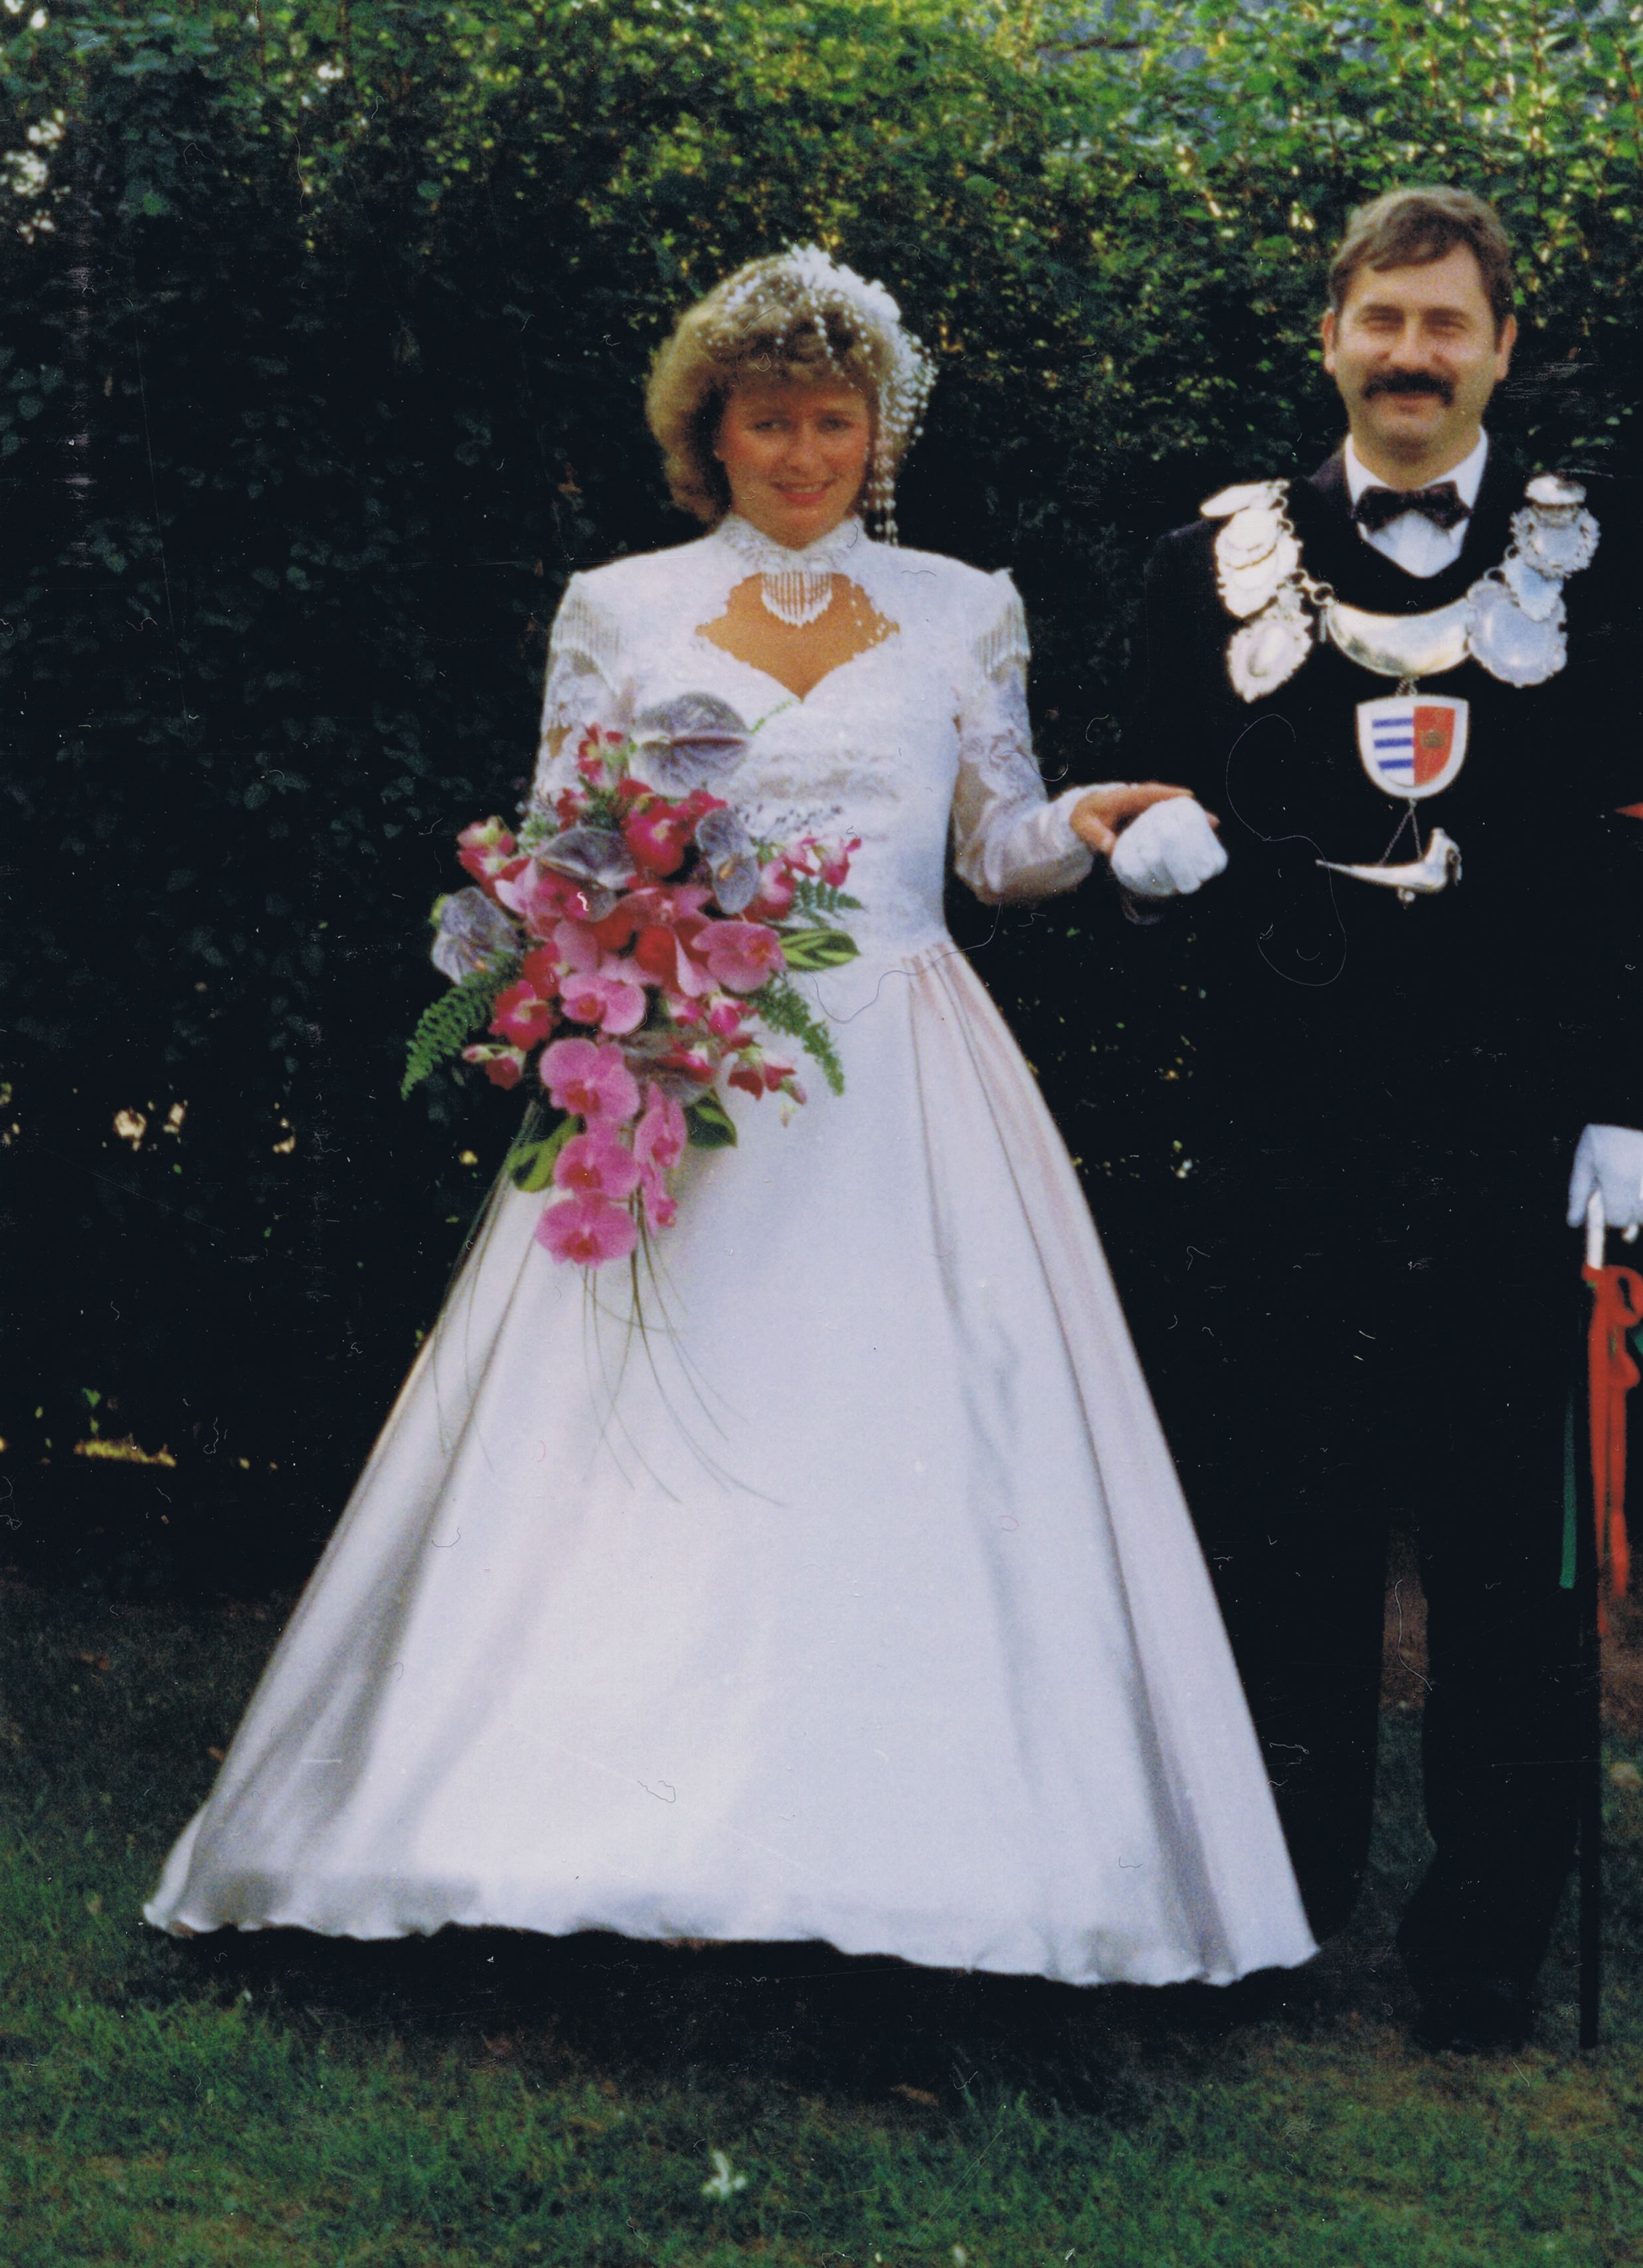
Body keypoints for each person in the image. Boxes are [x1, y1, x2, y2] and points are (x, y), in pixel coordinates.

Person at [144, 248, 1315, 1990]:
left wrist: (1084, 820)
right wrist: (604, 956)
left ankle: (922, 1849)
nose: (804, 454)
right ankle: (560, 1825)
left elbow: (993, 851)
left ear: (878, 431)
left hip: (901, 1070)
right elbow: (565, 842)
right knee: (620, 1438)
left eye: (835, 422)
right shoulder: (620, 607)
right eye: (770, 422)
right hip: (675, 1077)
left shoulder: (962, 607)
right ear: (711, 433)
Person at [1123, 187, 1643, 2048]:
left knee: (1507, 1559)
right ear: (1332, 336)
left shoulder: (1610, 562)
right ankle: (1273, 1912)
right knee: (1281, 1536)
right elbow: (1144, 789)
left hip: (1517, 1131)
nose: (1410, 354)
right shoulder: (1208, 558)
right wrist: (1147, 850)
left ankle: (1482, 1950)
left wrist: (1640, 1104)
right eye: (1381, 319)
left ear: (1501, 347)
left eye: (1446, 323)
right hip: (1284, 1127)